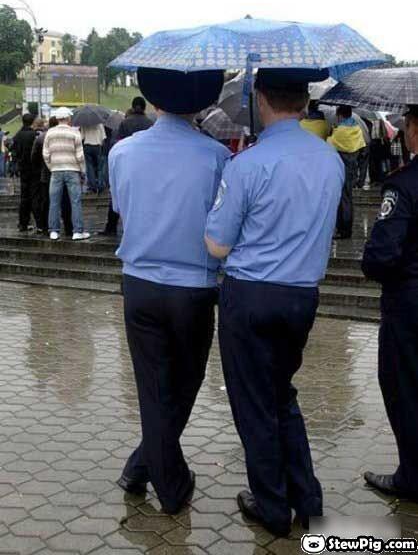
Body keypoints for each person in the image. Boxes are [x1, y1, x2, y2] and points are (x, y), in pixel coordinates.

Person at [205, 69, 344, 537]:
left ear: (260, 100)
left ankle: (271, 507)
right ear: (304, 102)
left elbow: (216, 246)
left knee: (254, 406)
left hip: (251, 296)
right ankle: (308, 501)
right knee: (281, 396)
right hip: (302, 298)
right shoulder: (331, 161)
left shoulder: (246, 165)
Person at [109, 67, 227, 514]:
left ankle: (141, 465)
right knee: (185, 382)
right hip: (194, 289)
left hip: (138, 284)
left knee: (153, 386)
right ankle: (171, 486)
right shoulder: (216, 156)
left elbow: (121, 208)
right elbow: (222, 223)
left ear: (154, 99)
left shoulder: (123, 152)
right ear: (199, 103)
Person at [362, 105, 418, 503]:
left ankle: (412, 477)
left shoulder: (404, 185)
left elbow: (380, 257)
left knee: (404, 388)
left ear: (414, 130)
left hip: (410, 308)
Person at [99, 97, 154, 236]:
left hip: (127, 164)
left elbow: (118, 143)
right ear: (144, 107)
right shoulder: (150, 123)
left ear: (132, 106)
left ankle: (111, 227)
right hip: (146, 165)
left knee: (117, 194)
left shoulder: (125, 123)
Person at [43, 107, 90, 241]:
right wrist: (82, 171)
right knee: (75, 201)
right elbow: (80, 156)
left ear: (57, 118)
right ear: (69, 118)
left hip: (56, 171)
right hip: (72, 169)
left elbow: (45, 154)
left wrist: (52, 166)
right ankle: (77, 231)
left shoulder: (50, 133)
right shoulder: (74, 133)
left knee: (54, 202)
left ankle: (53, 231)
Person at [328, 105, 366, 239]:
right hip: (352, 168)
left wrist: (332, 133)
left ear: (339, 115)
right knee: (348, 198)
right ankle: (347, 228)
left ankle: (343, 230)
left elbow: (329, 144)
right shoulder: (357, 129)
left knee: (343, 199)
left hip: (341, 168)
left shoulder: (340, 131)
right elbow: (361, 148)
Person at [31, 117, 73, 235]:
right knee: (65, 201)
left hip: (46, 174)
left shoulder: (42, 137)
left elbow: (34, 157)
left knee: (47, 202)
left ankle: (46, 227)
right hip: (65, 170)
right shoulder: (68, 135)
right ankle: (69, 227)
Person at [13, 113, 37, 231]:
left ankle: (23, 222)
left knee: (24, 196)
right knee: (35, 195)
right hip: (33, 168)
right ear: (32, 122)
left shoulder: (17, 135)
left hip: (23, 169)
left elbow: (14, 150)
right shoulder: (34, 135)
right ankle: (39, 223)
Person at [80, 122, 106, 193]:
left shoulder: (84, 124)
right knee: (100, 167)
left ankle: (92, 186)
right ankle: (100, 185)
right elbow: (103, 137)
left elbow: (82, 137)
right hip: (97, 145)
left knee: (89, 166)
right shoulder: (100, 124)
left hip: (87, 145)